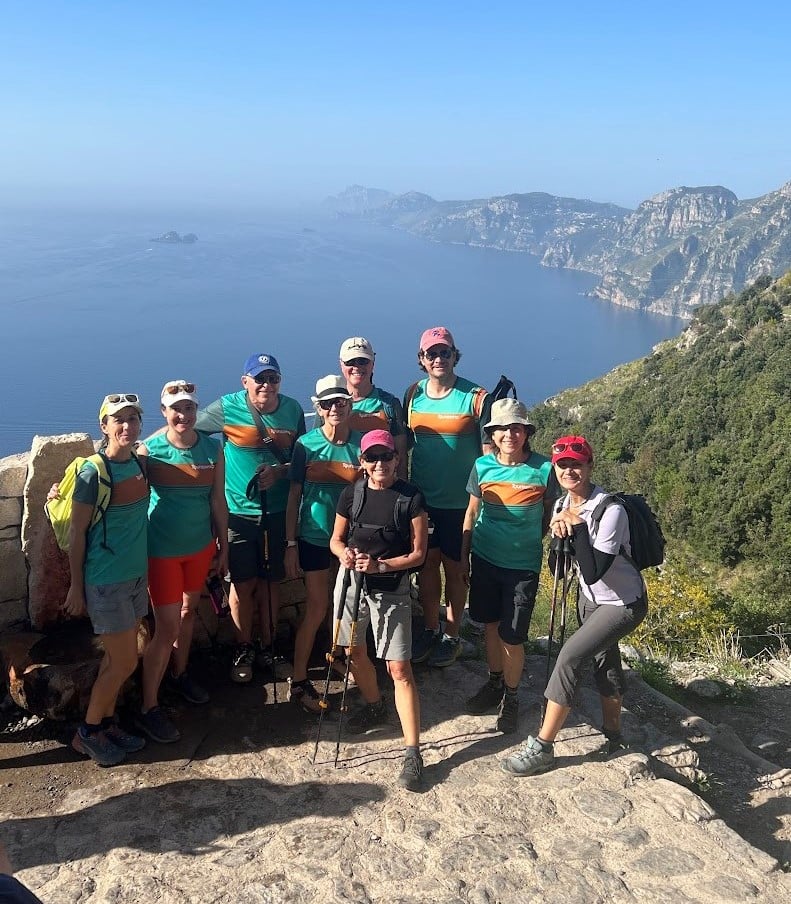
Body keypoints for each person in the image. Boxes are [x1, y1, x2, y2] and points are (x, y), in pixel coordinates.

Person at [501, 435, 648, 777]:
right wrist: (558, 537)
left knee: (569, 657)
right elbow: (560, 568)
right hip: (590, 600)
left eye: (576, 464)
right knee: (604, 662)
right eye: (562, 465)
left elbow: (595, 572)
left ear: (589, 466)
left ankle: (543, 747)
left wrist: (577, 528)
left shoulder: (610, 511)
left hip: (623, 603)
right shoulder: (559, 505)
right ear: (555, 469)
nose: (569, 471)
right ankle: (614, 736)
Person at [195, 354, 305, 684]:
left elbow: (301, 459)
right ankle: (243, 648)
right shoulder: (227, 408)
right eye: (259, 378)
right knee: (241, 585)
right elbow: (185, 430)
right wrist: (145, 454)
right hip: (238, 514)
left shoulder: (293, 410)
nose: (266, 385)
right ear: (245, 382)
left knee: (272, 583)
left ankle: (268, 647)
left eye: (273, 379)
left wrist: (280, 471)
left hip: (277, 513)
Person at [330, 429, 429, 791]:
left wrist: (382, 567)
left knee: (398, 667)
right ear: (362, 462)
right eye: (371, 458)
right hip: (351, 581)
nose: (379, 464)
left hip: (391, 586)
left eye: (385, 457)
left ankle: (413, 752)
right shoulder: (351, 494)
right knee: (352, 649)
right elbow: (336, 539)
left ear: (396, 459)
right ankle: (374, 704)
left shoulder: (410, 497)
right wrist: (346, 555)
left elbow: (419, 554)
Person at [134, 381, 229, 743]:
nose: (183, 415)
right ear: (163, 412)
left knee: (189, 615)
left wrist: (224, 545)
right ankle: (148, 707)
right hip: (162, 554)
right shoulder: (151, 452)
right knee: (168, 628)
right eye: (175, 409)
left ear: (196, 410)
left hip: (200, 549)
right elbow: (118, 479)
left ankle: (180, 673)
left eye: (189, 408)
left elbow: (218, 500)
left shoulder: (212, 447)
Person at [64, 394, 149, 766]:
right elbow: (77, 533)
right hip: (105, 581)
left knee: (117, 661)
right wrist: (75, 587)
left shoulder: (137, 462)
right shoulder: (92, 473)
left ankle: (106, 724)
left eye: (132, 418)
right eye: (118, 420)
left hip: (134, 576)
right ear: (104, 426)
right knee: (125, 662)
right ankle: (86, 733)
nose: (126, 425)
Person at [461, 398, 554, 734]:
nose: (509, 434)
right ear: (493, 433)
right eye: (502, 428)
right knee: (489, 625)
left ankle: (512, 698)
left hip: (521, 567)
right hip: (484, 558)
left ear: (526, 432)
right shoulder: (482, 467)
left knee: (512, 636)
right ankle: (495, 682)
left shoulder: (544, 469)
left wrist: (532, 541)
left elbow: (550, 512)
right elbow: (471, 513)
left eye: (516, 427)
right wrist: (464, 557)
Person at [405, 326, 493, 667]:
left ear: (455, 356)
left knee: (456, 570)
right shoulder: (413, 394)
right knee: (426, 565)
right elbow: (403, 446)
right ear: (422, 360)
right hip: (423, 501)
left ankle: (452, 635)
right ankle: (429, 628)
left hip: (461, 504)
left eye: (445, 352)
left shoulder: (476, 397)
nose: (439, 358)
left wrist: (482, 502)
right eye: (432, 353)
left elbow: (488, 456)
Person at [285, 375, 362, 711]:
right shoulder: (305, 445)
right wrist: (289, 543)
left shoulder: (363, 445)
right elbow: (294, 496)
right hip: (315, 535)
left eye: (341, 401)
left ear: (350, 404)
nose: (335, 407)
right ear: (318, 407)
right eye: (328, 403)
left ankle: (342, 658)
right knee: (318, 607)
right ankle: (299, 679)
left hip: (352, 540)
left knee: (348, 607)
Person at [337, 337, 408, 478]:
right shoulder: (330, 405)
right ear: (341, 364)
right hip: (340, 488)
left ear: (372, 364)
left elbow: (401, 459)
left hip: (380, 489)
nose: (357, 367)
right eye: (350, 362)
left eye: (363, 361)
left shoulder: (389, 404)